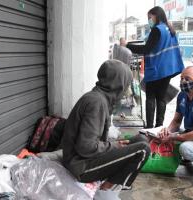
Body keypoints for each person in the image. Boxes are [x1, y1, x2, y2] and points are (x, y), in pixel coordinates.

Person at [61, 60, 151, 199]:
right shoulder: (96, 102)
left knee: (141, 139)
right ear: (118, 83)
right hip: (80, 166)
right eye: (126, 83)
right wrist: (113, 146)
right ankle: (105, 189)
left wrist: (113, 145)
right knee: (142, 150)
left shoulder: (99, 98)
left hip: (83, 157)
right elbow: (86, 147)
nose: (127, 89)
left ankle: (111, 184)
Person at [127, 6, 184, 128]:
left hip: (157, 69)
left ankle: (149, 127)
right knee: (161, 98)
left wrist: (128, 46)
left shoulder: (157, 30)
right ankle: (159, 126)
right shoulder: (169, 28)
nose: (149, 20)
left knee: (151, 98)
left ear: (156, 15)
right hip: (168, 70)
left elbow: (146, 49)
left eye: (150, 17)